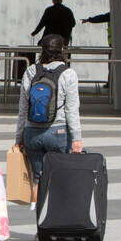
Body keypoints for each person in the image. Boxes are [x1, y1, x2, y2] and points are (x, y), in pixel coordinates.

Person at [15, 33, 84, 192]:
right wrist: (77, 139)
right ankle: (55, 215)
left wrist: (19, 137)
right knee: (59, 178)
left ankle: (39, 214)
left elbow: (23, 108)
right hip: (58, 132)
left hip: (32, 133)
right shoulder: (68, 74)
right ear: (61, 49)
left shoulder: (31, 71)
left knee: (37, 179)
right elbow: (72, 109)